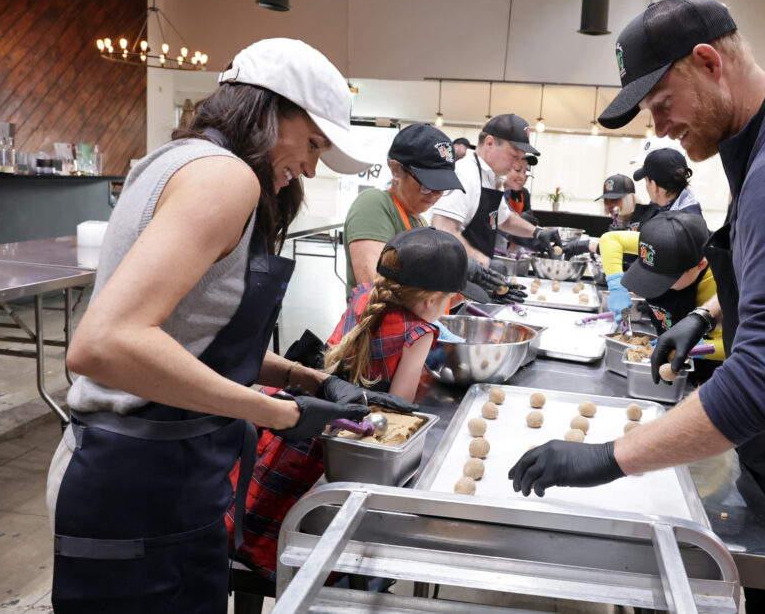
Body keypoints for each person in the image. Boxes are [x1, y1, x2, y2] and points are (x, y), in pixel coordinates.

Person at [509, 0, 765, 613]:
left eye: (662, 103)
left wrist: (610, 458)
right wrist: (707, 315)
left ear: (708, 62)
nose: (660, 129)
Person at [46, 38, 386, 612]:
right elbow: (105, 345)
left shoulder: (180, 159)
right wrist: (280, 414)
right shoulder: (225, 179)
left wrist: (306, 379)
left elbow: (191, 337)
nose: (311, 166)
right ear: (266, 111)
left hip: (160, 476)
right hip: (139, 484)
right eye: (312, 143)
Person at [226, 227, 485, 580]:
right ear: (430, 301)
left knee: (258, 497)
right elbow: (399, 404)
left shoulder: (364, 295)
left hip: (302, 408)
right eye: (450, 300)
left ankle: (238, 543)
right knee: (298, 522)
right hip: (340, 436)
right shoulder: (420, 332)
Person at [343, 123, 520, 304]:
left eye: (442, 187)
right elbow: (377, 287)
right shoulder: (374, 204)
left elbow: (430, 304)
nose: (436, 195)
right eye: (428, 185)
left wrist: (474, 289)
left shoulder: (421, 224)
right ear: (396, 169)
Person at [600, 211, 725, 382]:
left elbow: (733, 344)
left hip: (704, 370)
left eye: (666, 278)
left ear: (700, 265)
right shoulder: (661, 246)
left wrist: (693, 347)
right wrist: (616, 286)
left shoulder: (719, 283)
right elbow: (610, 239)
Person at [431, 113, 561, 264]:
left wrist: (537, 232)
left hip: (474, 273)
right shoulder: (465, 174)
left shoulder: (494, 178)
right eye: (514, 156)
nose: (516, 165)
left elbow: (505, 220)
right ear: (489, 143)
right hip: (450, 271)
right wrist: (486, 263)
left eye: (520, 158)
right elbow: (443, 232)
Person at [635, 146, 702, 220]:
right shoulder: (689, 211)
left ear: (654, 186)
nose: (646, 186)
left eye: (646, 181)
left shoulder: (674, 224)